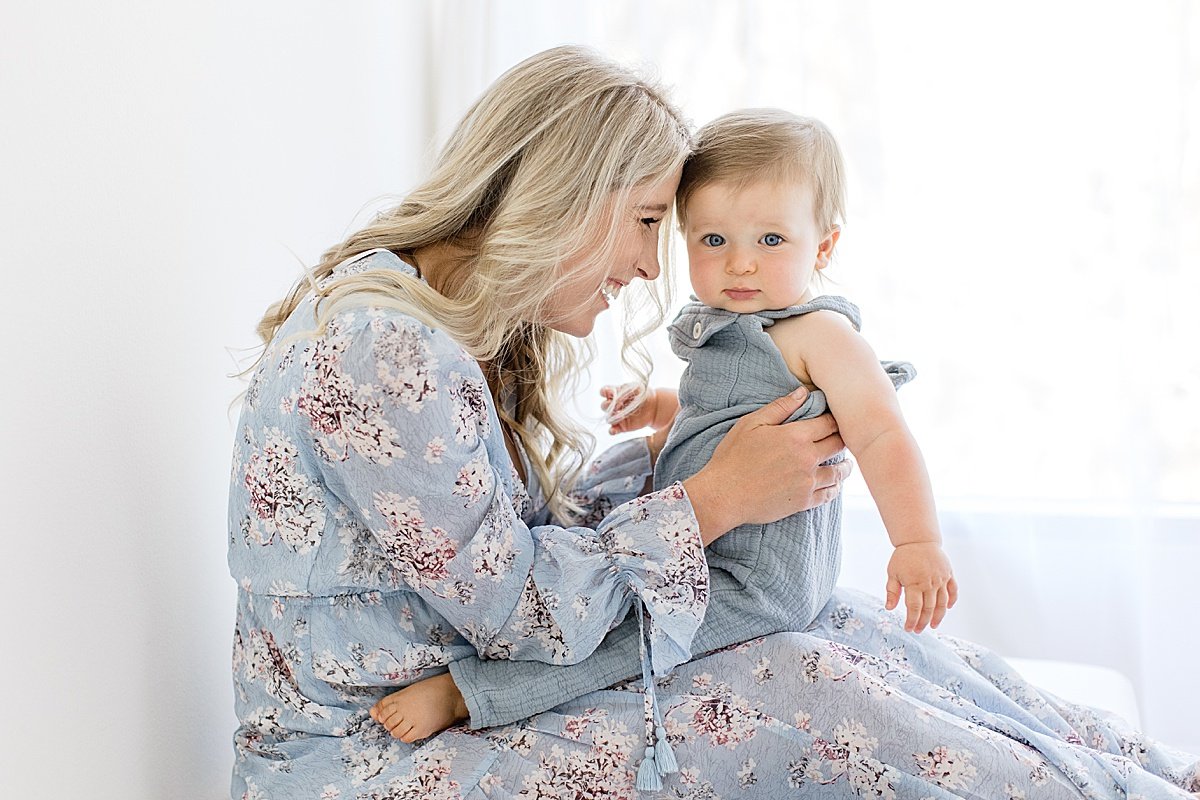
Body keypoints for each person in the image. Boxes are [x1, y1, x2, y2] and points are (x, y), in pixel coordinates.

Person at [230, 46, 1200, 797]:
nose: (655, 266)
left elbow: (507, 545)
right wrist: (710, 498)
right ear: (568, 194)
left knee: (841, 626)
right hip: (364, 761)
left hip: (447, 703)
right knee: (796, 678)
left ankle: (1137, 767)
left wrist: (680, 463)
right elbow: (518, 608)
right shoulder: (377, 347)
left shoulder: (448, 326)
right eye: (652, 218)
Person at [369, 109, 955, 748]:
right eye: (713, 241)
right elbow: (728, 414)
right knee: (601, 604)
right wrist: (659, 407)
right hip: (704, 549)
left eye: (770, 241)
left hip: (752, 581)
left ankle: (468, 692)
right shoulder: (729, 329)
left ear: (823, 247)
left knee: (626, 642)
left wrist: (917, 542)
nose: (740, 265)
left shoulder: (823, 335)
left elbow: (882, 435)